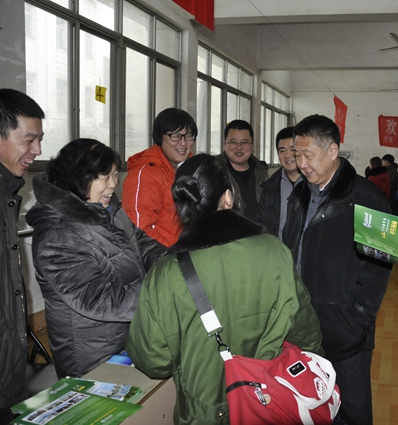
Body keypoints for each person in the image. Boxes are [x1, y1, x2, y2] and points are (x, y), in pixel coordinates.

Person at [126, 154, 323, 425]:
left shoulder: (166, 273)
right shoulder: (276, 252)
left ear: (183, 204)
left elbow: (153, 360)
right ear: (228, 197)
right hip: (268, 401)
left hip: (204, 413)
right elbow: (305, 333)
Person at [282, 114, 392, 425]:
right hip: (302, 327)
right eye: (297, 155)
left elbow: (378, 269)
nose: (301, 164)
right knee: (310, 407)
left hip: (345, 334)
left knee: (352, 410)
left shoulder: (367, 199)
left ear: (332, 151)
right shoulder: (300, 194)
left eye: (308, 155)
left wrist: (355, 319)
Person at [26, 138, 166, 379]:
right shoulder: (58, 234)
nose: (113, 184)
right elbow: (97, 299)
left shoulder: (108, 209)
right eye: (104, 177)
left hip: (129, 336)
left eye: (115, 175)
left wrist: (173, 262)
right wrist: (164, 289)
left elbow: (141, 243)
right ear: (78, 178)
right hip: (92, 355)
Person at [0, 89, 44, 425]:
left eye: (39, 140)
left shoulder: (8, 195)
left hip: (9, 373)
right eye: (29, 140)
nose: (37, 150)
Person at [122, 108, 196, 247]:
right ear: (160, 137)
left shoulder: (192, 169)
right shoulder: (146, 175)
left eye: (188, 136)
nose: (183, 143)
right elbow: (138, 231)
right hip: (164, 256)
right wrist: (175, 253)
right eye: (175, 136)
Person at [216, 120, 269, 221]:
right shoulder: (213, 170)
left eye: (244, 142)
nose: (239, 147)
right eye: (233, 142)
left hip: (259, 230)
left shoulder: (261, 171)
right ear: (225, 144)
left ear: (252, 145)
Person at [256, 126, 302, 239]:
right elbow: (261, 225)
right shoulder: (269, 188)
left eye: (292, 149)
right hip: (277, 248)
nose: (287, 155)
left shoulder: (314, 184)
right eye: (282, 150)